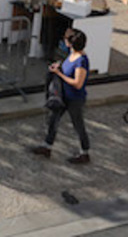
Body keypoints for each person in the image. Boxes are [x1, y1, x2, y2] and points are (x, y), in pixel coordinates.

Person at [31, 28, 91, 164]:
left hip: (75, 99)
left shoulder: (81, 61)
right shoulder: (72, 54)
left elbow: (78, 83)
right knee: (53, 120)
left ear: (70, 43)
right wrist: (58, 67)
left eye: (65, 39)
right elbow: (67, 69)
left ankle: (85, 152)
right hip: (63, 95)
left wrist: (59, 74)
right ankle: (47, 146)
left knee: (78, 125)